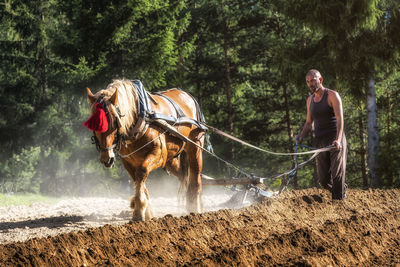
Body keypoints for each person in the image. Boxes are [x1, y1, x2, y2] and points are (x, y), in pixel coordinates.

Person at [295, 69, 347, 200]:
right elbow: (308, 122)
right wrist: (301, 136)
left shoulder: (332, 95)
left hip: (335, 139)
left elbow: (340, 119)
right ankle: (340, 190)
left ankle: (339, 202)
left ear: (320, 80)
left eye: (313, 80)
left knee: (337, 175)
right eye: (308, 81)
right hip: (320, 141)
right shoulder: (310, 100)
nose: (310, 84)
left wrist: (339, 140)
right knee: (323, 180)